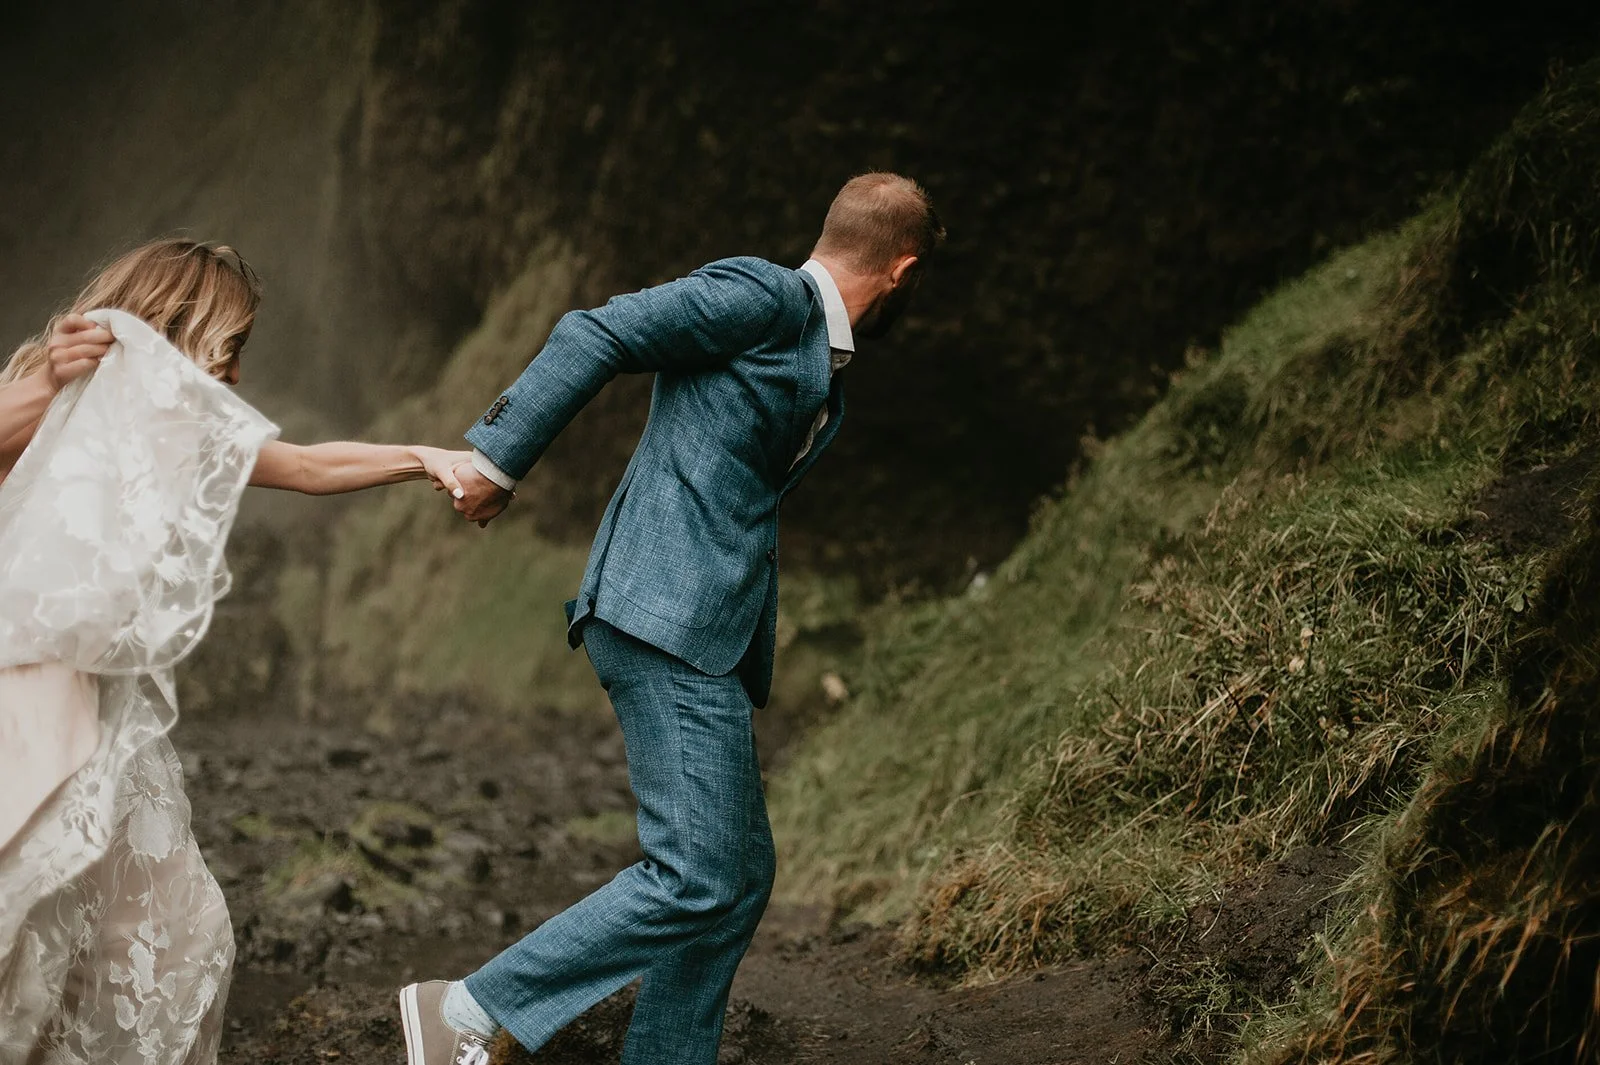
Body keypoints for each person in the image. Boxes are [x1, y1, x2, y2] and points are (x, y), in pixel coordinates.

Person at [398, 173, 944, 1065]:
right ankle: (466, 1007)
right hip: (665, 614)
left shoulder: (805, 342)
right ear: (903, 271)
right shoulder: (766, 296)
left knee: (736, 877)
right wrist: (499, 457)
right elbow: (597, 329)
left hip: (702, 627)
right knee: (694, 871)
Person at [0, 238, 472, 1065]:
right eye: (234, 345)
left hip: (107, 722)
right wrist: (47, 382)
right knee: (27, 933)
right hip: (25, 704)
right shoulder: (59, 382)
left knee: (184, 934)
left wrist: (423, 457)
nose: (239, 373)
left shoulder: (172, 417)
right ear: (185, 323)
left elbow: (305, 464)